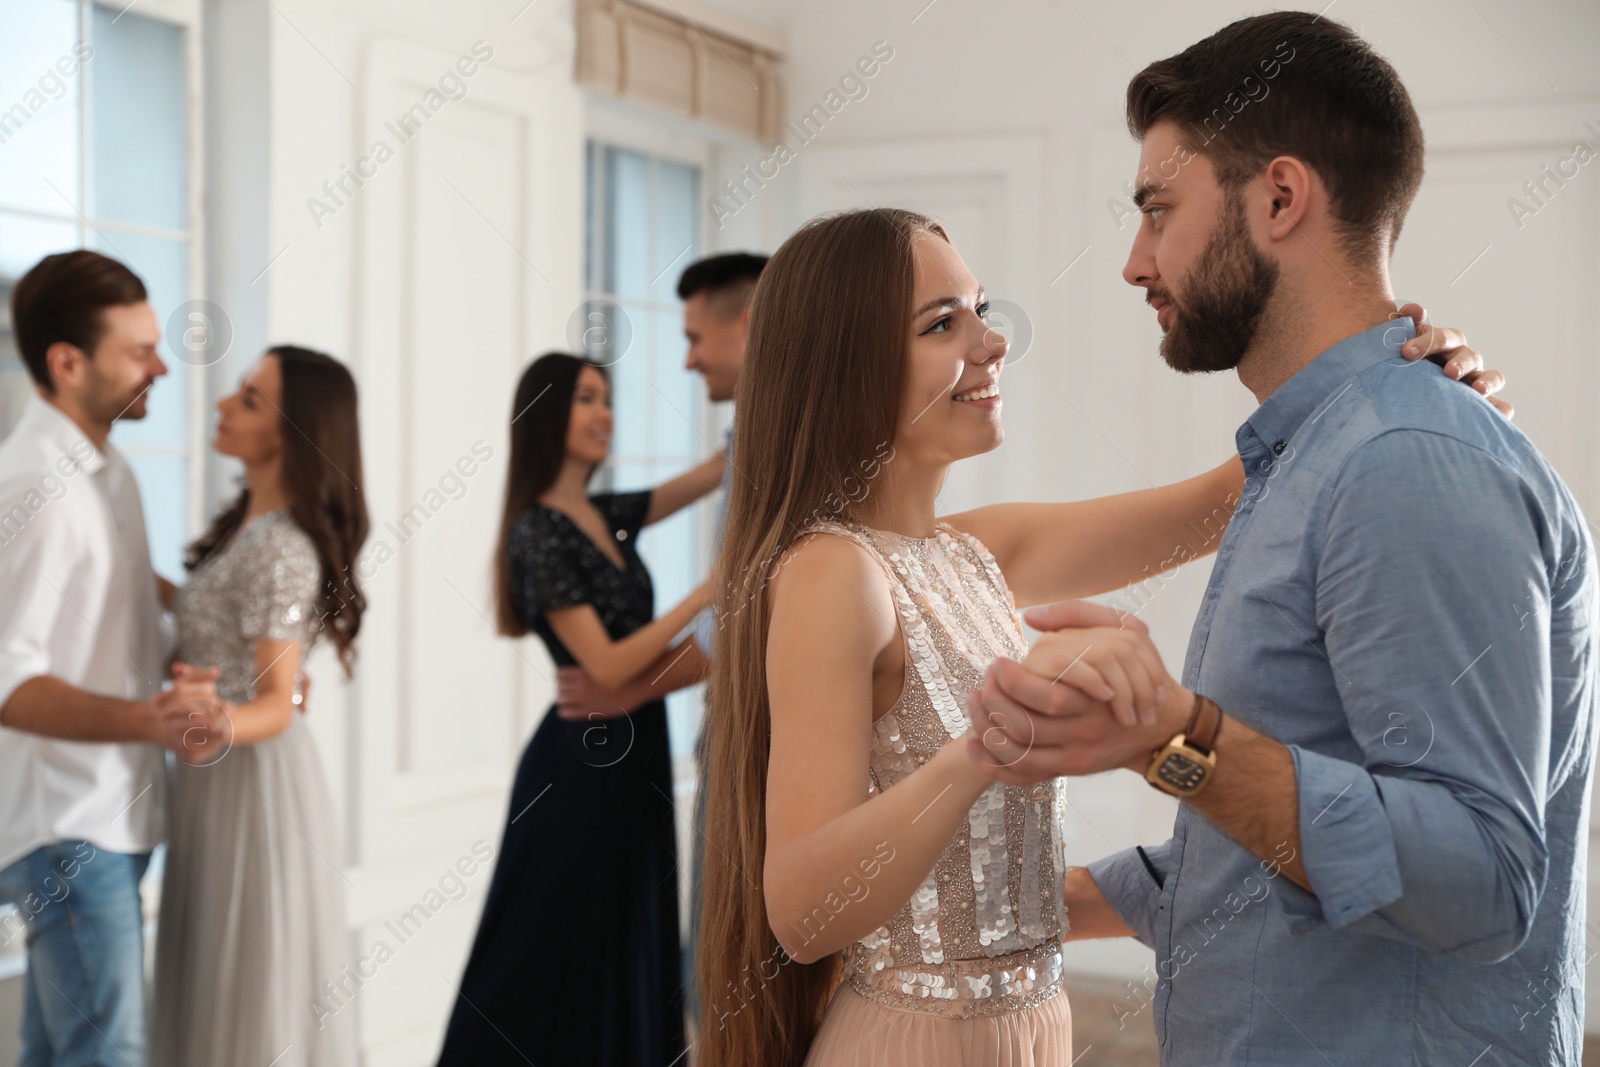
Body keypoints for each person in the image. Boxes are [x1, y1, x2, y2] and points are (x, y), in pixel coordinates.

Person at [693, 207, 1505, 1066]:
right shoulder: (832, 572)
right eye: (943, 323)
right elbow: (805, 912)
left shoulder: (975, 552)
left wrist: (1400, 374)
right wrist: (979, 752)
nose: (993, 341)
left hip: (1035, 1027)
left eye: (981, 308)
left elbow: (1225, 498)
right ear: (843, 366)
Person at [965, 13, 1593, 1065]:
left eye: (1157, 211)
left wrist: (1180, 737)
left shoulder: (1403, 457)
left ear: (1280, 197)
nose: (1132, 261)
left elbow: (1481, 883)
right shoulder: (1313, 455)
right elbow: (1264, 855)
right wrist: (1023, 905)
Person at [436, 352, 724, 1066]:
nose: (606, 414)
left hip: (634, 755)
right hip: (581, 767)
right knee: (546, 949)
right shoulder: (539, 531)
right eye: (586, 398)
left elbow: (718, 470)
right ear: (545, 415)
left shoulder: (606, 514)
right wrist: (707, 593)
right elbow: (611, 664)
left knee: (624, 935)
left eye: (608, 398)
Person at [0, 250, 223, 1067]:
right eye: (139, 351)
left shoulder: (108, 473)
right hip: (69, 824)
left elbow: (122, 621)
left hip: (110, 812)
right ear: (67, 363)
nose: (162, 366)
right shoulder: (37, 490)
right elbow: (9, 680)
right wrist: (147, 721)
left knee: (59, 1051)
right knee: (109, 1054)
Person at [553, 251, 767, 1024]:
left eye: (693, 336)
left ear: (745, 324)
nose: (686, 358)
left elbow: (741, 616)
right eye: (585, 398)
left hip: (729, 728)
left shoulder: (772, 441)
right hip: (616, 742)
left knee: (734, 961)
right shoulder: (560, 523)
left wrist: (635, 683)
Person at [151, 345, 368, 1066]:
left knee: (247, 979)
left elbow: (279, 701)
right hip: (220, 777)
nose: (220, 404)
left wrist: (219, 720)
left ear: (293, 429)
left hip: (253, 782)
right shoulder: (248, 527)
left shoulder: (282, 547)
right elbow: (198, 612)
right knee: (219, 973)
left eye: (247, 398)